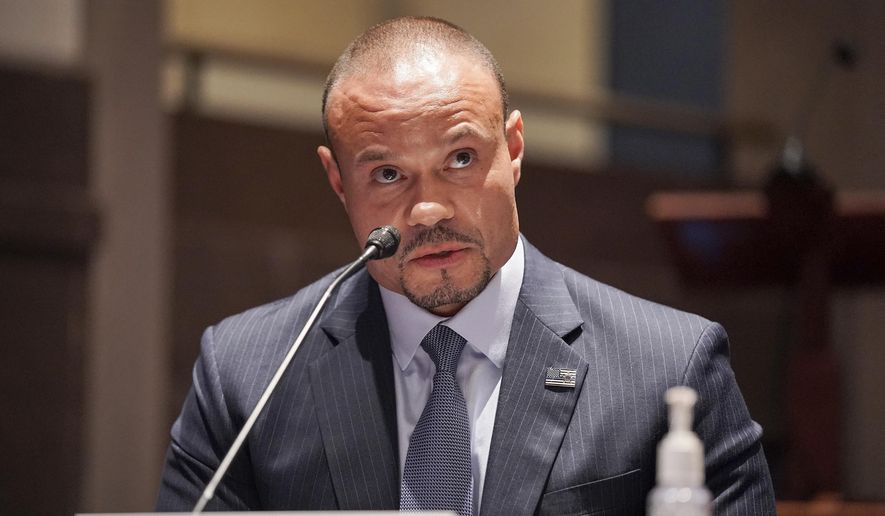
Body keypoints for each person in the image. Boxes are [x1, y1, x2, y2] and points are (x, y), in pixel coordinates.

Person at [157, 16, 776, 515]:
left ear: (513, 150)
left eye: (459, 159)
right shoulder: (247, 376)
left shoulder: (669, 365)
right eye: (388, 174)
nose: (427, 209)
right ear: (338, 182)